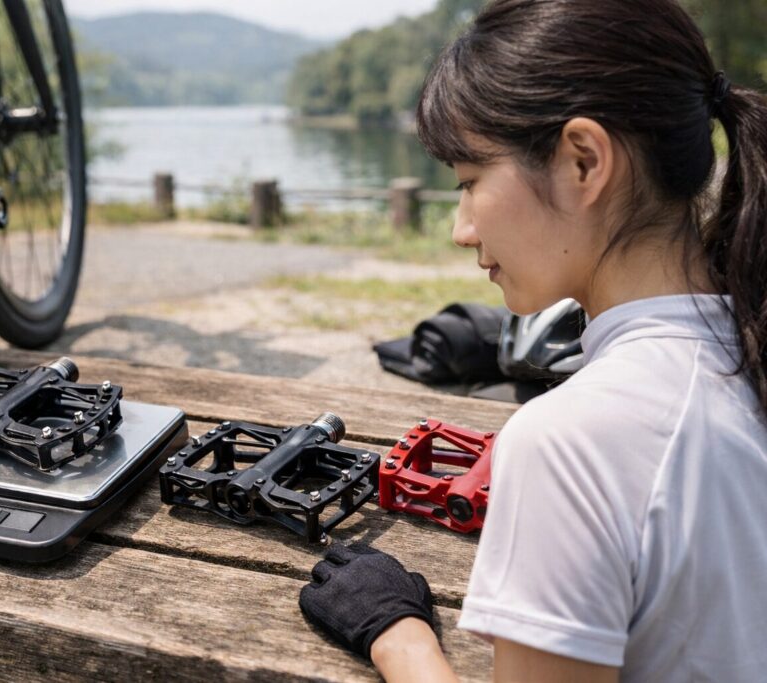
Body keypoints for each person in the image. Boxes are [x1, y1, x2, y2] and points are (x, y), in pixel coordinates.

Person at [297, 1, 767, 681]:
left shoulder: (571, 443)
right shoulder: (742, 349)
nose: (462, 227)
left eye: (470, 181)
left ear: (583, 161)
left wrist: (399, 638)